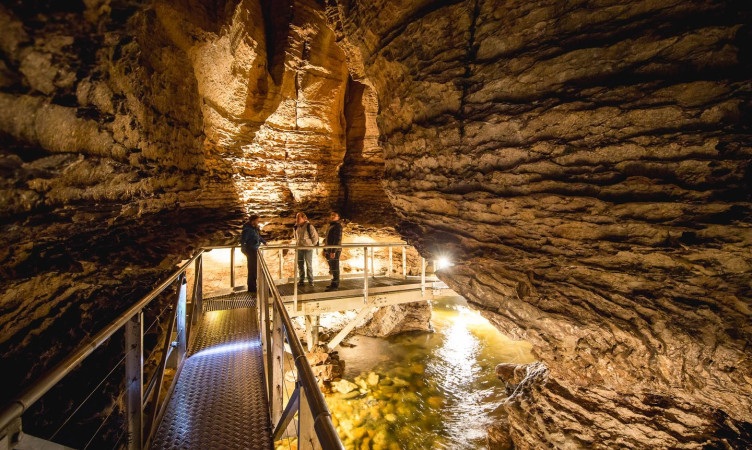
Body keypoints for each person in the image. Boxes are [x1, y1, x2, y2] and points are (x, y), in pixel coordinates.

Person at [240, 214, 266, 292]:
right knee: (252, 269)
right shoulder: (248, 230)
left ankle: (254, 287)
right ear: (253, 221)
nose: (258, 222)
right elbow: (243, 240)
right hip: (251, 250)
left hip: (255, 250)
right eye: (257, 221)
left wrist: (264, 241)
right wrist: (245, 251)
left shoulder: (254, 229)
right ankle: (252, 288)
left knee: (255, 268)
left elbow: (258, 237)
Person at [293, 212, 318, 286]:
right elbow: (296, 237)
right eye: (296, 217)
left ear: (304, 218)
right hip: (299, 248)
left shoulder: (309, 226)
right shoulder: (296, 227)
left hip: (308, 249)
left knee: (308, 265)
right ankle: (301, 280)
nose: (297, 219)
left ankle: (311, 281)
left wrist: (310, 246)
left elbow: (315, 238)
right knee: (300, 265)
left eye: (298, 217)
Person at [324, 211, 342, 291]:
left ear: (338, 217)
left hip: (334, 250)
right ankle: (333, 282)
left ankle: (335, 284)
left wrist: (333, 251)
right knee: (332, 267)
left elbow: (337, 239)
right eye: (331, 215)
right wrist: (325, 249)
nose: (332, 216)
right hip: (329, 249)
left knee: (335, 267)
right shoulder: (331, 226)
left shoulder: (338, 226)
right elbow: (327, 239)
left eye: (334, 215)